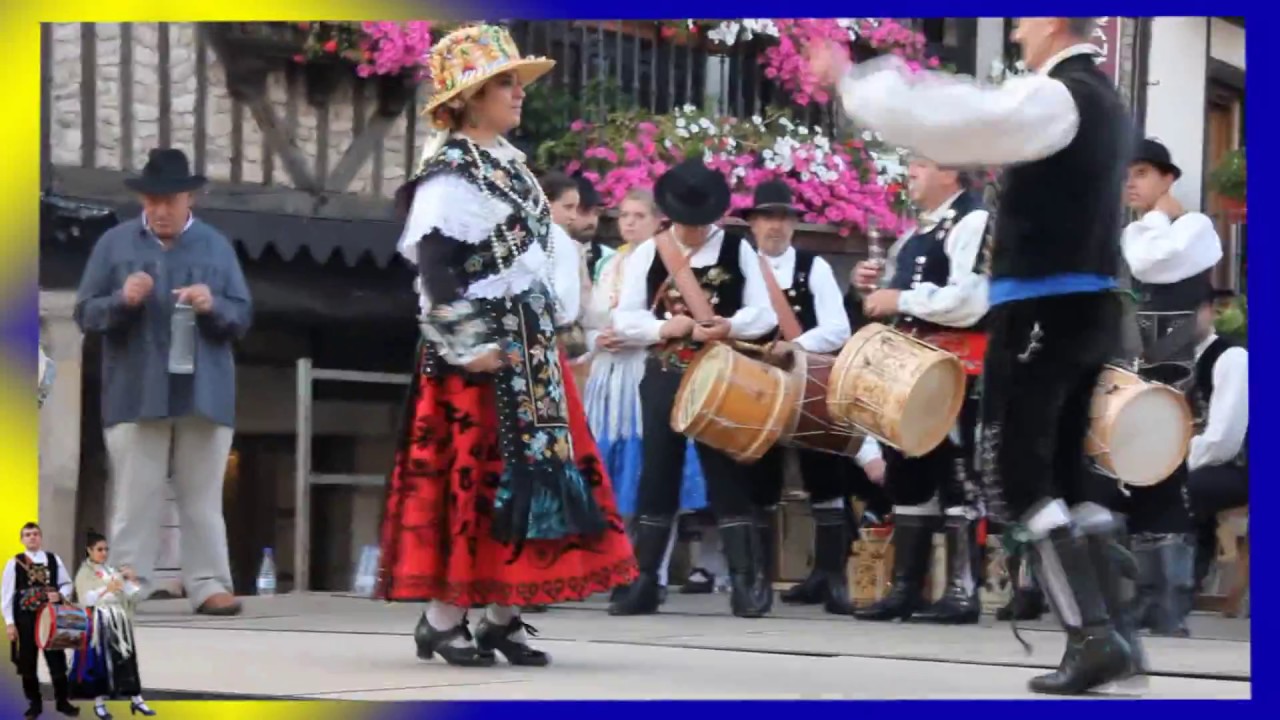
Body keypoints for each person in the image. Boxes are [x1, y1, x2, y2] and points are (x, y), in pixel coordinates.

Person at [810, 17, 1142, 694]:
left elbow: (959, 120)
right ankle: (1113, 629)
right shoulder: (1103, 100)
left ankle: (1094, 634)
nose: (1017, 31)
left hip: (1045, 306)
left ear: (1052, 21)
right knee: (1066, 478)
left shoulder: (1058, 96)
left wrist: (854, 81)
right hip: (1087, 304)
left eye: (1023, 20)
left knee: (1014, 475)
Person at [376, 24, 636, 668]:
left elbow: (539, 264)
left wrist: (557, 334)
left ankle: (500, 613)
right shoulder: (449, 176)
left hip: (531, 349)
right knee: (475, 485)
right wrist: (469, 345)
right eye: (503, 84)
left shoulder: (511, 168)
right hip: (478, 359)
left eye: (516, 82)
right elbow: (436, 275)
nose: (517, 94)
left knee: (541, 477)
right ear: (467, 100)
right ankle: (442, 619)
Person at [73, 148, 251, 617]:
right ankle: (126, 585)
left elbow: (243, 317)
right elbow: (85, 313)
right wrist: (121, 300)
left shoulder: (216, 246)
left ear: (190, 197)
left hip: (205, 391)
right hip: (137, 389)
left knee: (202, 499)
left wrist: (214, 305)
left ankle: (210, 583)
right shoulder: (115, 244)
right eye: (151, 200)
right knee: (135, 498)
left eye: (169, 199)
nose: (160, 210)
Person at [608, 158, 778, 618]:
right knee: (657, 469)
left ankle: (747, 582)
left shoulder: (738, 249)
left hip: (723, 372)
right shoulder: (650, 251)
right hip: (666, 369)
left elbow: (764, 313)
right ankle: (644, 581)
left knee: (725, 470)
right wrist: (670, 326)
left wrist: (730, 324)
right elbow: (625, 317)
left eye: (703, 223)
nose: (696, 231)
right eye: (688, 223)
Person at [1085, 138, 1226, 636]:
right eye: (1126, 174)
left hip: (1174, 370)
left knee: (1165, 479)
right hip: (1133, 370)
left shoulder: (1197, 227)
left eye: (1141, 173)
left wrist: (1156, 220)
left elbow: (1151, 262)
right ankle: (1145, 599)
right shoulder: (1139, 230)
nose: (1130, 183)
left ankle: (1168, 603)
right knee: (1133, 476)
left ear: (1168, 178)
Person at [849, 158, 991, 625]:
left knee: (956, 475)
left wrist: (900, 299)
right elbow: (895, 295)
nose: (909, 171)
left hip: (957, 369)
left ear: (950, 172)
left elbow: (972, 300)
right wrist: (870, 288)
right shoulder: (920, 230)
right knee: (908, 472)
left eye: (920, 163)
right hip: (914, 368)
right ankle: (906, 588)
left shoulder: (975, 219)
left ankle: (962, 591)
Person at [739, 180, 889, 615]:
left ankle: (831, 576)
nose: (776, 226)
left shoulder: (814, 266)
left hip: (807, 384)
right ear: (752, 223)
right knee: (760, 485)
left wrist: (796, 346)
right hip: (756, 388)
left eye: (784, 218)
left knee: (825, 477)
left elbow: (838, 330)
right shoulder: (743, 266)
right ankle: (758, 583)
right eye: (768, 217)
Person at [581, 189, 708, 605]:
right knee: (613, 477)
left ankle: (647, 569)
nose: (629, 222)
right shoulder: (608, 263)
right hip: (608, 378)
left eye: (639, 215)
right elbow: (589, 318)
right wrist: (596, 338)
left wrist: (636, 336)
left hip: (645, 370)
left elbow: (675, 321)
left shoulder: (663, 261)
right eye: (623, 215)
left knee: (651, 472)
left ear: (659, 221)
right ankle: (614, 566)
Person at [69, 531, 155, 718]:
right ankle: (99, 703)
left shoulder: (111, 570)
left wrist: (131, 580)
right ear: (89, 550)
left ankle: (136, 699)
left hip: (119, 620)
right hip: (99, 622)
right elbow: (86, 598)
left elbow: (132, 596)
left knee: (127, 659)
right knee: (99, 663)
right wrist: (106, 589)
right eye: (99, 549)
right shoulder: (85, 573)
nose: (104, 553)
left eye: (106, 549)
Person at [4, 522, 79, 718]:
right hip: (25, 619)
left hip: (51, 616)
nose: (32, 537)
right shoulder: (14, 562)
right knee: (27, 662)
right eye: (27, 534)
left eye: (35, 534)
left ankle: (62, 702)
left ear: (41, 537)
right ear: (22, 539)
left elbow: (66, 583)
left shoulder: (53, 559)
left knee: (57, 660)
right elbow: (7, 595)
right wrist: (10, 623)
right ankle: (34, 704)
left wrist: (60, 595)